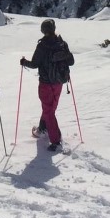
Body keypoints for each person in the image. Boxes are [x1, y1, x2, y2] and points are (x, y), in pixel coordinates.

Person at [20, 18, 74, 152]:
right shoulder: (62, 43)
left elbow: (34, 64)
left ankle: (55, 140)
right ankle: (42, 129)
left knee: (48, 110)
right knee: (50, 108)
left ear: (43, 31)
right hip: (59, 82)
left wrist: (23, 62)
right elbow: (71, 62)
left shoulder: (42, 46)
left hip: (45, 83)